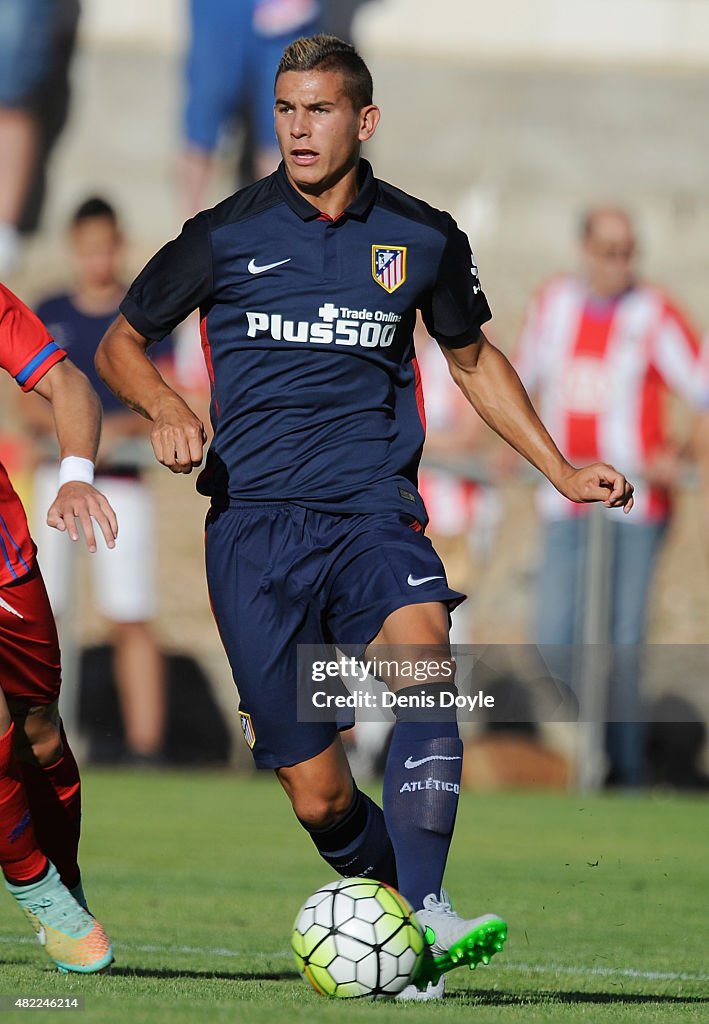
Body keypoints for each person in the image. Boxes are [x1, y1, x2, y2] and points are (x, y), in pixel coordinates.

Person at [96, 35, 633, 999]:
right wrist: (167, 407)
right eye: (286, 111)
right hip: (254, 531)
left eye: (318, 110)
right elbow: (122, 344)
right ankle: (398, 911)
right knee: (321, 794)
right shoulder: (223, 233)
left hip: (371, 514)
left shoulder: (421, 237)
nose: (298, 130)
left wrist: (556, 467)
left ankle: (424, 912)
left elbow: (470, 359)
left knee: (426, 665)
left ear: (363, 120)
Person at [515, 206, 705, 787]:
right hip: (564, 502)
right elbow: (519, 381)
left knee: (621, 645)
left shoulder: (654, 312)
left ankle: (622, 772)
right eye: (610, 251)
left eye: (629, 252)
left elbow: (701, 388)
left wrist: (681, 451)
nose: (621, 264)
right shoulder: (554, 304)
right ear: (585, 250)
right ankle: (589, 747)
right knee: (554, 635)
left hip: (634, 507)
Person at [22, 197, 168, 765]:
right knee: (42, 612)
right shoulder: (51, 308)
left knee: (130, 613)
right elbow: (30, 401)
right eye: (88, 249)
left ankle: (146, 749)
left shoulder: (139, 314)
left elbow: (164, 399)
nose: (97, 260)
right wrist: (82, 437)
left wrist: (93, 431)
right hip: (55, 480)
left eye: (106, 247)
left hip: (122, 484)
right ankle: (39, 740)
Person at [0, 280, 115, 972]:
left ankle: (65, 880)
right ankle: (36, 887)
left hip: (4, 555)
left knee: (39, 733)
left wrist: (75, 475)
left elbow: (68, 382)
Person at [181, 0, 322, 216]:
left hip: (287, 12)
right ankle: (189, 230)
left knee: (283, 125)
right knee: (204, 118)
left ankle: (281, 230)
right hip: (220, 9)